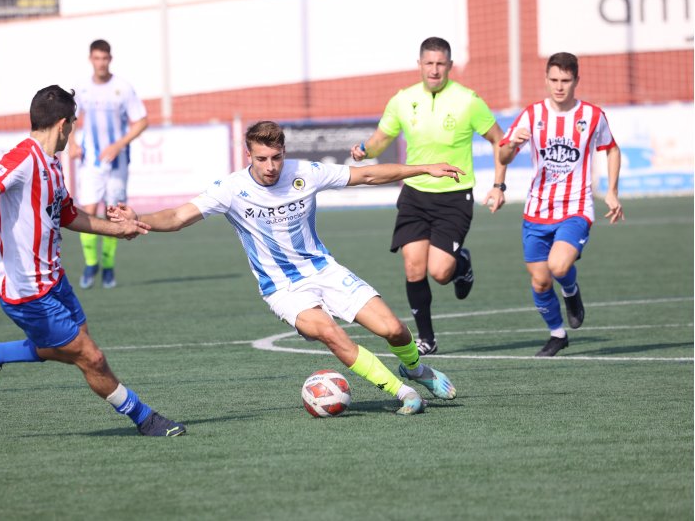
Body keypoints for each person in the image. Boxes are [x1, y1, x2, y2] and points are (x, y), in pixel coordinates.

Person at [109, 121, 462, 416]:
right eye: (261, 158)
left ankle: (415, 368)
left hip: (324, 270)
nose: (270, 166)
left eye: (276, 157)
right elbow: (177, 216)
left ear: (284, 153)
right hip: (283, 289)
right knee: (329, 333)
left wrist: (423, 168)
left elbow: (367, 176)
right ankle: (402, 392)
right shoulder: (231, 189)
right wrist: (139, 219)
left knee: (395, 330)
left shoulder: (305, 172)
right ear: (249, 155)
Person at [0, 85, 184, 437]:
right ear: (63, 124)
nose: (74, 130)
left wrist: (118, 230)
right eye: (75, 123)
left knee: (68, 346)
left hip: (53, 279)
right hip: (26, 292)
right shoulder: (23, 157)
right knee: (90, 357)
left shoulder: (52, 163)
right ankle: (145, 418)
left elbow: (68, 215)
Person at [351, 36, 507, 357]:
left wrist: (499, 184)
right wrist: (366, 149)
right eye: (429, 63)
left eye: (440, 64)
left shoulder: (468, 100)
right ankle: (426, 339)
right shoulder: (402, 100)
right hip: (415, 195)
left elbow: (498, 140)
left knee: (440, 272)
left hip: (453, 198)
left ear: (450, 66)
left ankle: (461, 262)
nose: (434, 70)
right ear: (419, 65)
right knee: (413, 268)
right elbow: (383, 138)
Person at [498, 52, 624, 357]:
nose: (559, 86)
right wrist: (513, 145)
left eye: (565, 80)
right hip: (537, 210)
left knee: (558, 265)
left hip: (576, 207)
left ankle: (570, 290)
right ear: (546, 79)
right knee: (540, 282)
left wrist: (612, 191)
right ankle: (557, 333)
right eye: (553, 80)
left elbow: (612, 149)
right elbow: (502, 156)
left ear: (576, 81)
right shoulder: (531, 115)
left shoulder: (592, 116)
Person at [68, 39, 149, 289]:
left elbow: (141, 121)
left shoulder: (123, 88)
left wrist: (118, 144)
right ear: (91, 59)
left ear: (110, 59)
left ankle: (108, 265)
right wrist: (72, 142)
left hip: (117, 162)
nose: (101, 63)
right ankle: (91, 263)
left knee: (114, 213)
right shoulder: (81, 88)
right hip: (90, 162)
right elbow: (70, 117)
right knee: (87, 212)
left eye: (105, 58)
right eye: (97, 58)